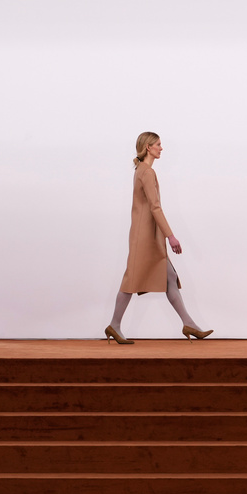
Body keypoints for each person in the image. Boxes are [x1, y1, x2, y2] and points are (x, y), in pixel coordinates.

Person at [105, 132, 212, 344]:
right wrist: (171, 236)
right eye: (158, 144)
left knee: (170, 277)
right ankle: (114, 325)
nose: (161, 148)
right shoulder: (147, 172)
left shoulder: (142, 170)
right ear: (148, 147)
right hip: (144, 236)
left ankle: (188, 323)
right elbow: (155, 207)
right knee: (131, 281)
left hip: (147, 235)